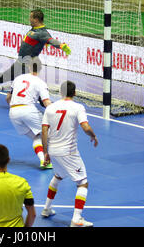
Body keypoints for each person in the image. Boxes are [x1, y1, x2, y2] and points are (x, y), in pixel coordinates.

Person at [41, 81, 98, 227]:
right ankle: (76, 219)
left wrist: (46, 152)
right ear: (75, 93)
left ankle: (46, 208)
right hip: (69, 152)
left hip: (53, 150)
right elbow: (85, 126)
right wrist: (93, 135)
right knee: (83, 183)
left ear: (61, 93)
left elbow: (44, 131)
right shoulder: (78, 107)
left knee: (58, 176)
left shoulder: (50, 108)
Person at [0, 9, 72, 86]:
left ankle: (44, 102)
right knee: (9, 78)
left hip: (27, 64)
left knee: (25, 84)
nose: (29, 19)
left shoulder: (42, 33)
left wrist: (61, 46)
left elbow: (51, 40)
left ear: (36, 19)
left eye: (31, 17)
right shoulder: (34, 29)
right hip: (21, 61)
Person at [6, 57, 53, 169]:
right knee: (50, 133)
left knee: (37, 137)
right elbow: (46, 103)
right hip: (28, 110)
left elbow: (8, 98)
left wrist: (15, 109)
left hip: (13, 112)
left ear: (29, 67)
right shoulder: (40, 83)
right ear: (40, 68)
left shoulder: (18, 78)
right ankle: (59, 159)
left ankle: (43, 161)